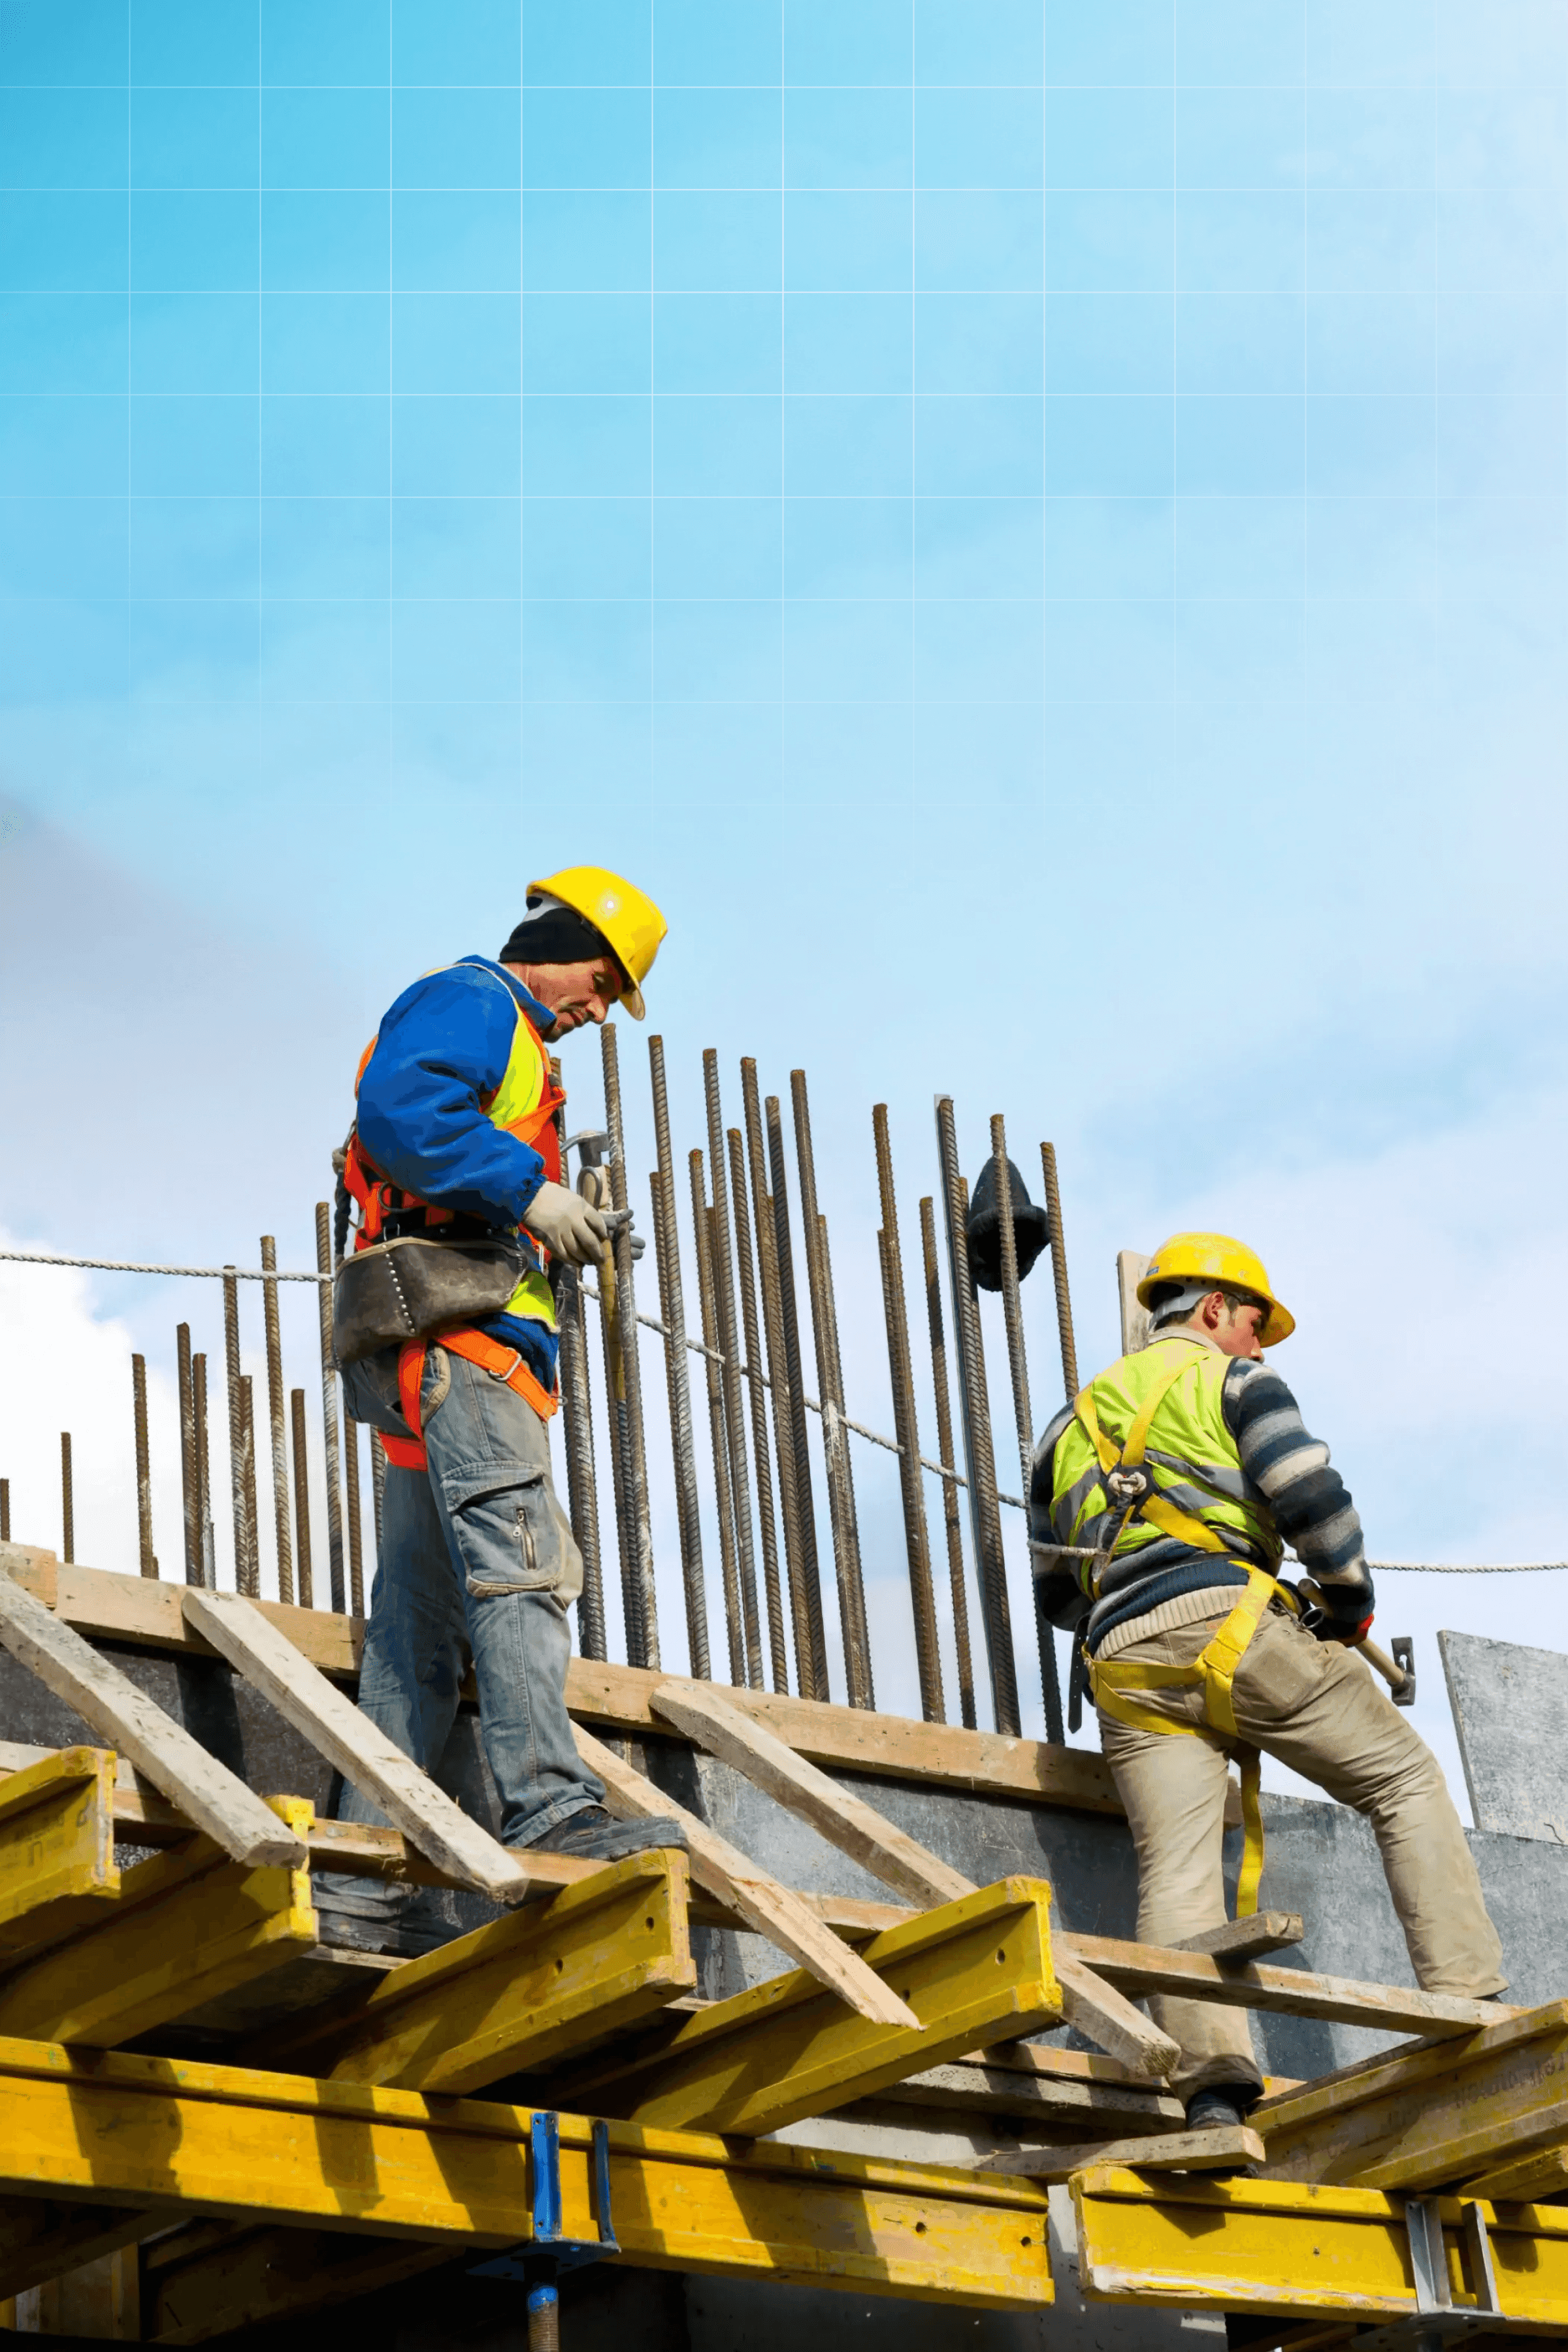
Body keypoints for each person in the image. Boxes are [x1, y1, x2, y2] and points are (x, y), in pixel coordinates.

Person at [1030, 1232, 1506, 2129]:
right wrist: (1349, 1604)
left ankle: (1211, 2087)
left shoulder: (1066, 1426)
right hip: (1235, 1627)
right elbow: (1313, 1502)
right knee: (1404, 1780)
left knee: (1176, 1868)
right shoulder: (1234, 1381)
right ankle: (1473, 2002)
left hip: (1124, 1663)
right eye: (1254, 1324)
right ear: (1213, 1311)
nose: (1258, 1344)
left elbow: (1057, 1592)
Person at [316, 866, 685, 1957]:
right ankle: (550, 1804)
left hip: (437, 1354)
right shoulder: (479, 1001)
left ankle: (363, 1879)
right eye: (602, 980)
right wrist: (530, 1194)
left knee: (417, 1630)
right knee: (524, 1570)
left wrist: (544, 1212)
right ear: (559, 941)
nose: (599, 1008)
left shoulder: (519, 1044)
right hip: (461, 1351)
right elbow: (400, 1113)